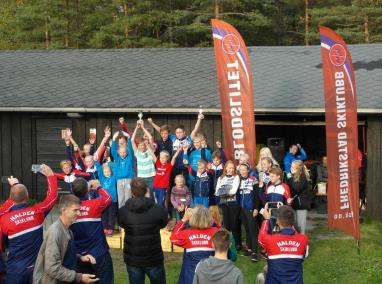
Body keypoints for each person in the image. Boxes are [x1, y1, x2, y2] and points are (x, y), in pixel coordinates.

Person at [0, 164, 58, 284]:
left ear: (10, 197)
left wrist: (14, 187)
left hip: (15, 270)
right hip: (37, 268)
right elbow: (52, 197)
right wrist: (51, 176)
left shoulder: (4, 220)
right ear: (27, 196)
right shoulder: (37, 212)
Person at [33, 195, 98, 284]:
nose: (79, 213)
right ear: (63, 210)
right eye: (75, 210)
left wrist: (80, 257)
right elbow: (52, 267)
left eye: (79, 210)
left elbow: (64, 254)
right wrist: (79, 277)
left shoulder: (67, 229)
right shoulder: (55, 232)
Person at [118, 178, 168, 284]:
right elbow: (122, 224)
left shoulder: (156, 208)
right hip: (141, 257)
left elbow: (163, 223)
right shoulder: (124, 210)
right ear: (146, 190)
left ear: (131, 191)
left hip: (146, 257)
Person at [70, 178, 114, 283]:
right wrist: (98, 187)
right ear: (87, 190)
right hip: (99, 252)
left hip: (80, 254)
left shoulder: (69, 210)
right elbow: (108, 198)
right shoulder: (94, 204)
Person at [258, 204, 308, 284]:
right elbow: (293, 231)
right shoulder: (303, 239)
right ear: (293, 220)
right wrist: (285, 215)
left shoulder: (270, 240)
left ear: (277, 221)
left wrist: (267, 220)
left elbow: (261, 238)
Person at [170, 206, 218, 284]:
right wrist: (212, 221)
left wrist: (184, 219)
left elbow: (173, 238)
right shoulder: (216, 232)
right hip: (211, 277)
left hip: (190, 277)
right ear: (209, 217)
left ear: (192, 218)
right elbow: (225, 235)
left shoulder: (187, 234)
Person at [215, 161, 241, 248]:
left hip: (233, 203)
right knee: (226, 224)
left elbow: (234, 191)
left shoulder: (236, 177)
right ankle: (227, 244)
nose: (230, 170)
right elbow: (217, 192)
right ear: (225, 168)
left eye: (232, 168)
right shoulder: (221, 178)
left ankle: (237, 243)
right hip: (223, 203)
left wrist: (224, 191)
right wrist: (226, 191)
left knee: (234, 224)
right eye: (229, 168)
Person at [238, 163, 261, 262]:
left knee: (253, 230)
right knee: (247, 229)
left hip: (251, 208)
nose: (242, 171)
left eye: (244, 169)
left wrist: (256, 208)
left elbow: (256, 196)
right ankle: (249, 248)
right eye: (241, 170)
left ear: (248, 170)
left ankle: (255, 253)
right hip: (242, 209)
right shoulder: (238, 180)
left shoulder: (253, 180)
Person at [131, 122, 156, 198]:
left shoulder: (150, 151)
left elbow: (150, 138)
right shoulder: (137, 153)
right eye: (140, 145)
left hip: (151, 177)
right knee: (142, 195)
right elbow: (132, 140)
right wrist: (136, 128)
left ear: (146, 145)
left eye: (143, 145)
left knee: (151, 195)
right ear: (138, 146)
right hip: (141, 178)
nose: (142, 147)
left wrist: (143, 127)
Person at [111, 130, 135, 208]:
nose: (123, 154)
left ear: (127, 152)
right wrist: (114, 139)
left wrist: (128, 137)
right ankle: (121, 215)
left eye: (124, 152)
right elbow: (113, 151)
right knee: (121, 198)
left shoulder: (130, 158)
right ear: (118, 153)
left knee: (128, 197)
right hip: (119, 180)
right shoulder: (117, 158)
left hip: (128, 179)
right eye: (121, 152)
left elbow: (130, 149)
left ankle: (128, 214)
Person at [287, 160, 311, 234]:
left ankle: (303, 244)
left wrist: (290, 178)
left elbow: (296, 188)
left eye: (292, 167)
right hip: (294, 204)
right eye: (291, 166)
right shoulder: (293, 176)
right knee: (295, 226)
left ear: (297, 168)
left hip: (301, 205)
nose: (291, 168)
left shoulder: (303, 177)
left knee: (301, 227)